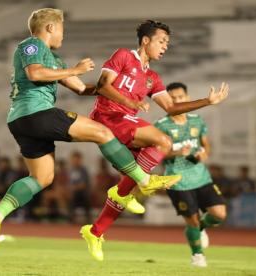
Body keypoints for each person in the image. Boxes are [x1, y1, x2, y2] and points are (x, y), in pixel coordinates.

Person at [0, 9, 179, 250]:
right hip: (36, 112)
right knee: (102, 132)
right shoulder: (32, 44)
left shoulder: (55, 61)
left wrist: (110, 87)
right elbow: (36, 73)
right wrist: (75, 69)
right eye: (62, 29)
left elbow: (82, 89)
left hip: (22, 122)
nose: (64, 34)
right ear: (51, 28)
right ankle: (144, 180)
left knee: (42, 177)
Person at [80, 20, 229, 261]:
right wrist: (130, 102)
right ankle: (143, 183)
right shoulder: (123, 56)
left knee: (126, 185)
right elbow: (102, 86)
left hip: (125, 124)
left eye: (167, 43)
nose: (165, 47)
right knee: (163, 142)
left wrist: (207, 101)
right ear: (145, 40)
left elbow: (170, 107)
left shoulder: (152, 77)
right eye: (162, 41)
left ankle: (95, 231)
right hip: (109, 118)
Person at [156, 82, 227, 267]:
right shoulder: (161, 126)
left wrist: (204, 153)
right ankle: (198, 256)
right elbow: (157, 154)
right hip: (178, 180)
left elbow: (206, 144)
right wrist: (177, 152)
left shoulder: (197, 120)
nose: (177, 100)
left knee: (219, 214)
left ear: (187, 98)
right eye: (173, 98)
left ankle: (200, 228)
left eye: (180, 97)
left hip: (201, 177)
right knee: (192, 220)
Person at [68, 151, 91, 223]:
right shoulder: (70, 170)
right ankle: (68, 217)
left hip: (82, 193)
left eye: (77, 160)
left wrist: (73, 188)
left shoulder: (83, 171)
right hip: (71, 192)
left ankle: (74, 217)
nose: (75, 162)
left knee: (76, 194)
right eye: (74, 160)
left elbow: (83, 185)